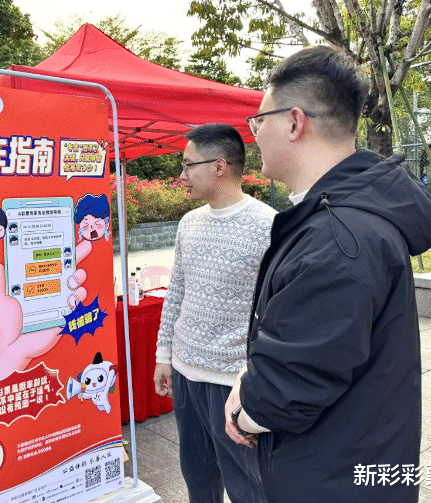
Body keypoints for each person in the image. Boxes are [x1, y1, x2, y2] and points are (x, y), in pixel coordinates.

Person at [225, 46, 431, 503]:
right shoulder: (345, 218)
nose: (255, 134)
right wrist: (249, 376)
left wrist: (243, 413)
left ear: (294, 122)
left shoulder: (337, 239)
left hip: (334, 480)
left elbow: (288, 390)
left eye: (258, 121)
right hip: (359, 458)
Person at [153, 124, 274, 503]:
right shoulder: (188, 223)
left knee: (247, 484)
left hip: (233, 382)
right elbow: (177, 292)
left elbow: (276, 315)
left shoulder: (269, 226)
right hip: (185, 374)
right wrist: (163, 356)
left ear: (219, 166)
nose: (182, 175)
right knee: (197, 478)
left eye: (188, 165)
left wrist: (256, 377)